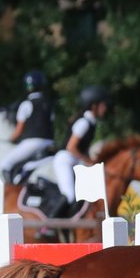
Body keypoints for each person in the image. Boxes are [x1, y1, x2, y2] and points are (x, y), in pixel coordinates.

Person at [52, 84, 110, 218]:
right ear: (94, 105)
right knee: (70, 195)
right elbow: (71, 147)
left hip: (75, 160)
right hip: (65, 160)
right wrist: (89, 162)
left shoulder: (91, 122)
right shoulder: (84, 123)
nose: (105, 108)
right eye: (103, 104)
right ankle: (47, 226)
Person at [0, 70, 57, 184]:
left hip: (32, 143)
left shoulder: (26, 104)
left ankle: (11, 188)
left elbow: (19, 131)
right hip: (50, 143)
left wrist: (11, 138)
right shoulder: (49, 104)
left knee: (5, 164)